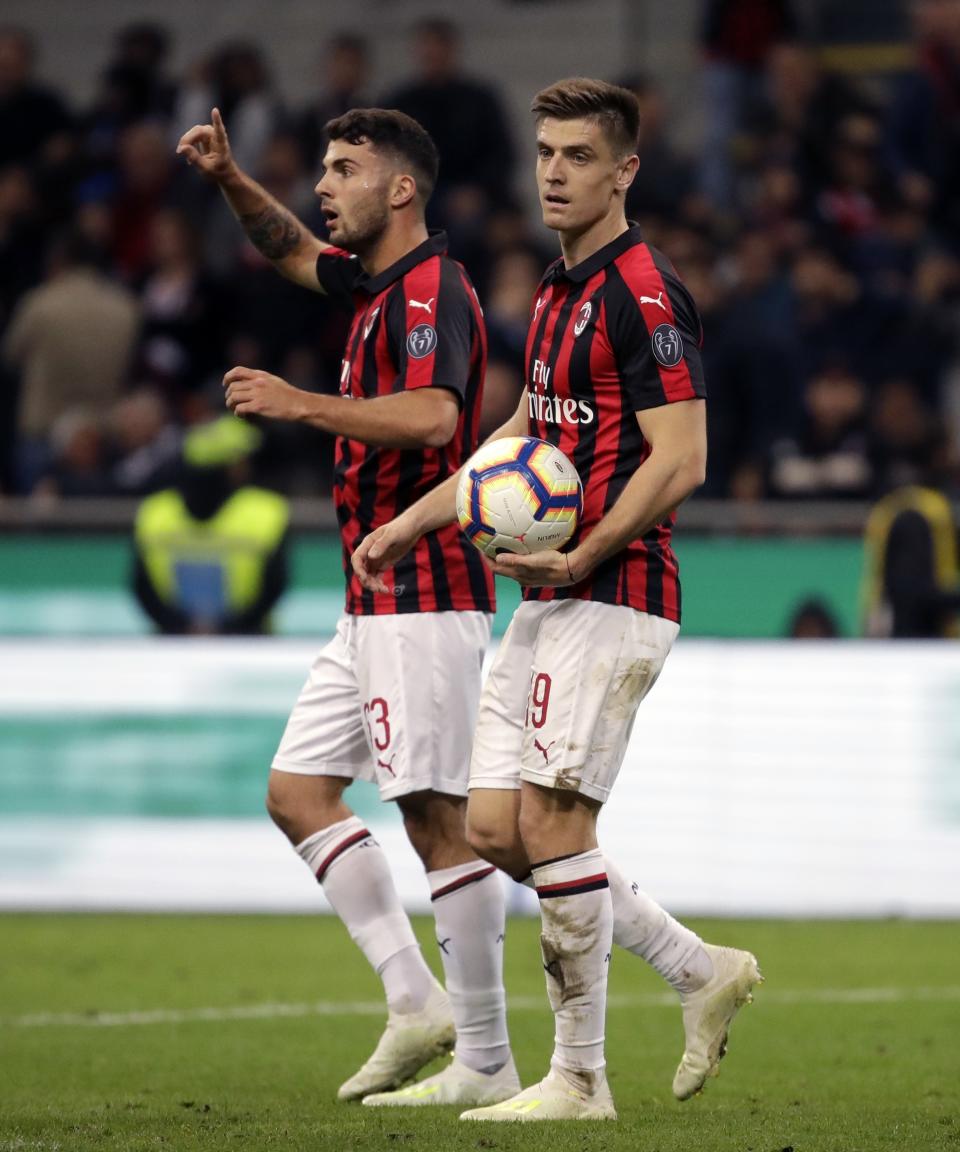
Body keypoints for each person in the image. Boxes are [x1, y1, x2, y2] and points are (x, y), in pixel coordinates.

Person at [354, 77, 761, 1122]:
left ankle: (579, 1080)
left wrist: (583, 556)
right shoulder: (554, 287)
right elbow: (522, 434)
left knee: (554, 821)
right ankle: (699, 968)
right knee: (496, 829)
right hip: (550, 592)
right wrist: (415, 520)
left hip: (616, 591)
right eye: (544, 153)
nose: (554, 173)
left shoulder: (645, 291)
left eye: (579, 156)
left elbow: (682, 460)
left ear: (626, 169)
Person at [176, 106, 519, 1106]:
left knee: (436, 820)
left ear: (400, 187)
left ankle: (489, 1064)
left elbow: (435, 417)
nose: (323, 186)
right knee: (297, 794)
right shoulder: (373, 284)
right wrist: (233, 180)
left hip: (427, 590)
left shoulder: (434, 291)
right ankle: (418, 1003)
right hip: (371, 598)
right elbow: (291, 254)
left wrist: (302, 403)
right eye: (320, 170)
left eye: (343, 169)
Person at [132, 415, 290, 635]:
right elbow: (276, 584)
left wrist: (181, 627)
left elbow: (141, 587)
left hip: (173, 642)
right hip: (248, 642)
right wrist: (230, 628)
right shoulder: (266, 511)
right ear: (232, 466)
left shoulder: (155, 511)